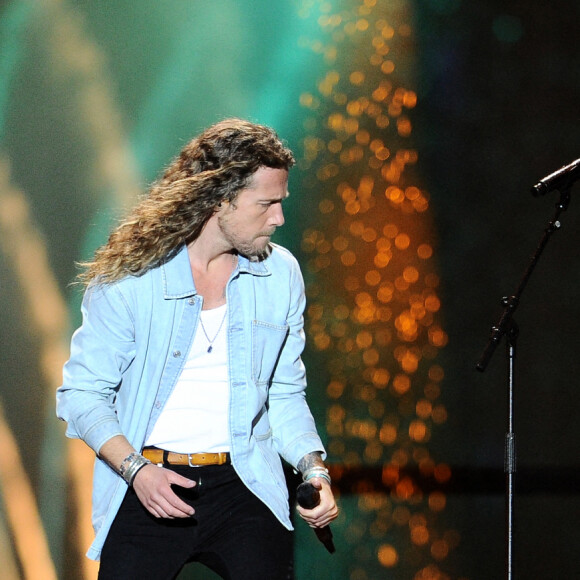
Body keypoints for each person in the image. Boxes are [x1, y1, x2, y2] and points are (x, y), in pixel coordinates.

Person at [56, 118, 338, 579]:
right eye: (266, 204)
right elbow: (82, 395)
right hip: (149, 480)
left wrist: (314, 470)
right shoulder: (132, 278)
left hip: (245, 483)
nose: (279, 218)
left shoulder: (280, 273)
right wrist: (137, 471)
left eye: (280, 203)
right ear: (220, 198)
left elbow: (285, 392)